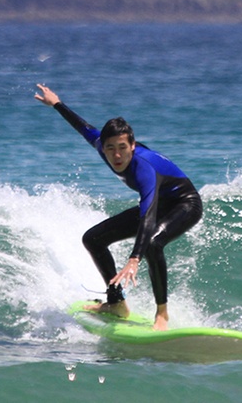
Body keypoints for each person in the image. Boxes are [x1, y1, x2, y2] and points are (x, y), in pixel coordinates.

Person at [34, 84, 202, 331]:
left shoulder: (145, 168)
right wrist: (56, 103)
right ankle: (117, 303)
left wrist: (135, 258)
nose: (116, 155)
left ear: (132, 146)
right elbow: (83, 127)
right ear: (103, 146)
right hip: (160, 204)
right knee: (93, 239)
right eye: (110, 148)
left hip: (184, 204)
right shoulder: (100, 144)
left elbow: (148, 213)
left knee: (154, 244)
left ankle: (162, 315)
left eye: (122, 148)